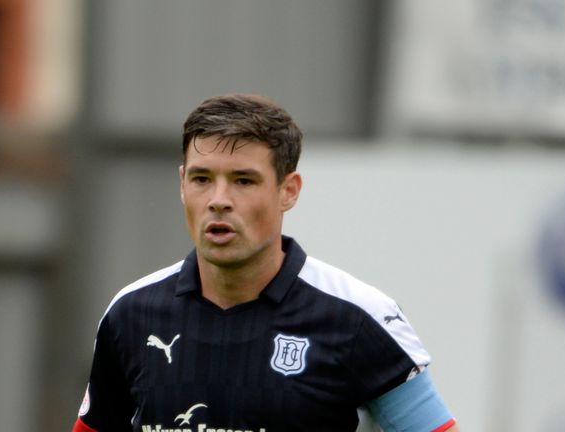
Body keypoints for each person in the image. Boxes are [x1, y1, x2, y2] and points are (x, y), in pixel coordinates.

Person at [72, 93, 459, 432]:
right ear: (181, 184)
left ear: (288, 191)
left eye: (244, 181)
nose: (218, 199)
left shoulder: (358, 318)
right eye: (202, 178)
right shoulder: (131, 314)